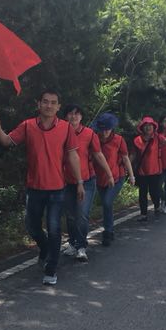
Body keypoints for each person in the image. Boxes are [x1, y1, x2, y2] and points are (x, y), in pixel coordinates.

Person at [0, 90, 84, 285]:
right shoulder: (28, 126)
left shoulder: (66, 128)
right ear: (38, 104)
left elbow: (73, 155)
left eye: (53, 102)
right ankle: (45, 247)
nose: (49, 106)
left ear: (58, 107)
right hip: (34, 188)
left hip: (57, 188)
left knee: (54, 228)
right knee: (32, 227)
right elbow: (7, 141)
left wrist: (80, 182)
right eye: (45, 102)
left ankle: (51, 269)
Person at [60, 104, 113, 262]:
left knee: (82, 214)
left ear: (81, 117)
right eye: (70, 113)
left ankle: (81, 246)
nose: (73, 117)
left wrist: (109, 174)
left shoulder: (89, 134)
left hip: (87, 181)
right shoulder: (60, 132)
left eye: (77, 114)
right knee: (70, 216)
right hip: (66, 181)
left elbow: (98, 154)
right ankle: (72, 243)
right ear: (65, 116)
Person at [91, 113, 134, 245]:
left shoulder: (118, 140)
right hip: (99, 178)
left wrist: (131, 175)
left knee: (107, 202)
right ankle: (109, 229)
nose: (105, 132)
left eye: (108, 129)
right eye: (102, 129)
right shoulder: (94, 139)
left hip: (116, 177)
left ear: (112, 128)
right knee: (106, 204)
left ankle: (108, 232)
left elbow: (125, 158)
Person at [133, 116, 164, 221]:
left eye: (150, 125)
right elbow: (133, 155)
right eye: (146, 125)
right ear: (142, 128)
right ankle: (143, 214)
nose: (148, 127)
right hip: (142, 171)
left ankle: (157, 206)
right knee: (142, 193)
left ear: (153, 127)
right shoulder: (137, 140)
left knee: (154, 192)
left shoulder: (158, 138)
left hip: (155, 171)